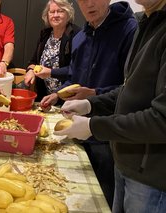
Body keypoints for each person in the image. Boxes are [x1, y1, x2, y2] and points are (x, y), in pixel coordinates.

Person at [54, 0, 166, 212]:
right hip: (126, 161)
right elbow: (128, 90)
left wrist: (93, 126)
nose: (88, 4)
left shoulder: (134, 27)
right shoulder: (147, 21)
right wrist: (90, 104)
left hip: (152, 177)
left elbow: (162, 120)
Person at [40, 0, 137, 208]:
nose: (90, 4)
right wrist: (58, 95)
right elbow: (73, 77)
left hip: (108, 134)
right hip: (78, 126)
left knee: (103, 198)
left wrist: (93, 95)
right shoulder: (81, 37)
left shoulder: (129, 30)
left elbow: (131, 89)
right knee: (76, 195)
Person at [24, 0, 80, 102]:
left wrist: (51, 72)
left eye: (60, 11)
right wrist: (30, 71)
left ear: (68, 14)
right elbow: (33, 62)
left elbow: (76, 69)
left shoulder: (76, 35)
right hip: (44, 97)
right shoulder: (45, 34)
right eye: (52, 12)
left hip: (67, 98)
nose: (55, 15)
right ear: (47, 15)